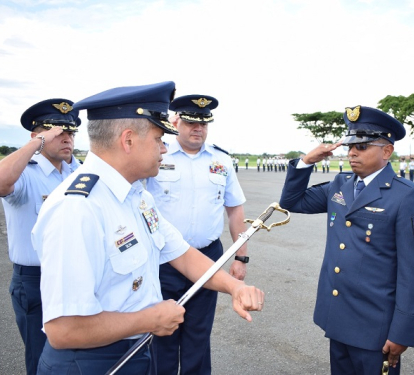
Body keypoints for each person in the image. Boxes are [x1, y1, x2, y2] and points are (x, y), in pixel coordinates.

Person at [31, 82, 264, 374]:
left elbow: (181, 254)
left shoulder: (137, 196)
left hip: (133, 348)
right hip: (92, 362)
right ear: (128, 140)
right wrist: (148, 320)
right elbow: (63, 330)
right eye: (158, 138)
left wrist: (235, 287)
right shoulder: (78, 209)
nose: (165, 148)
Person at [279, 105, 414, 374]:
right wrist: (307, 160)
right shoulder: (341, 184)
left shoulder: (406, 195)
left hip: (375, 327)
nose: (352, 152)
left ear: (387, 151)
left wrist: (402, 332)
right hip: (338, 317)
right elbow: (291, 201)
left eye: (362, 146)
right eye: (350, 145)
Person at [145, 94, 249, 375]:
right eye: (191, 122)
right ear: (176, 121)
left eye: (203, 124)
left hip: (207, 257)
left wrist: (242, 257)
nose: (197, 129)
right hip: (163, 260)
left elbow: (235, 211)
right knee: (162, 333)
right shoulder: (157, 153)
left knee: (199, 334)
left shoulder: (221, 160)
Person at [0, 98, 81, 375]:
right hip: (35, 279)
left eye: (70, 132)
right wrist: (36, 145)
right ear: (38, 136)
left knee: (76, 356)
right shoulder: (25, 173)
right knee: (41, 359)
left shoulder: (77, 172)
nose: (66, 137)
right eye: (57, 132)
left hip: (75, 274)